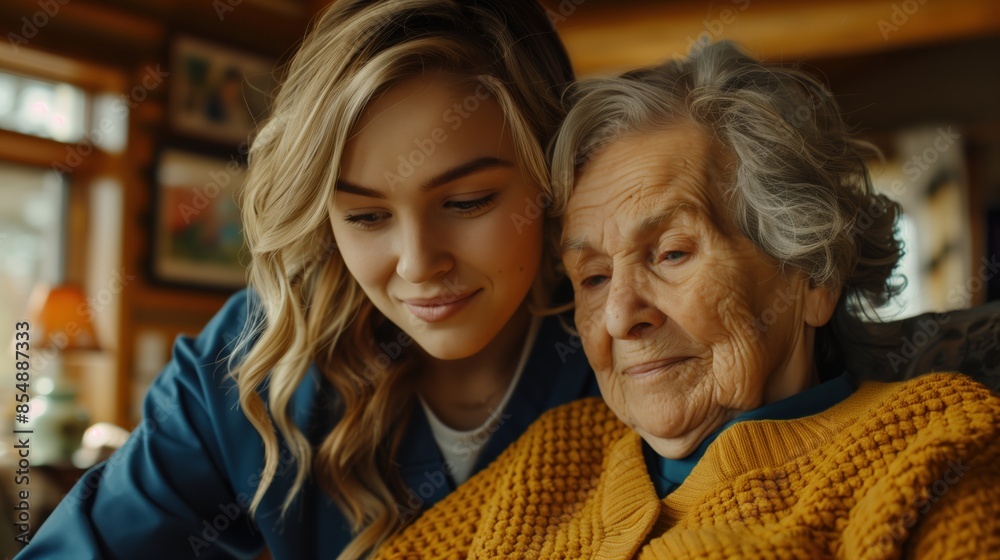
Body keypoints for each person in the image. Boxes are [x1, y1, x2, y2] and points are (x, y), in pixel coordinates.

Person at [373, 41, 1000, 559]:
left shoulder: (935, 442)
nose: (620, 316)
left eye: (671, 254)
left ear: (812, 276)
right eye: (591, 278)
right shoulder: (558, 455)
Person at [16, 1, 598, 559]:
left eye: (468, 202)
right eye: (366, 216)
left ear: (554, 179)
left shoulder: (631, 341)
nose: (418, 264)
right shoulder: (253, 359)